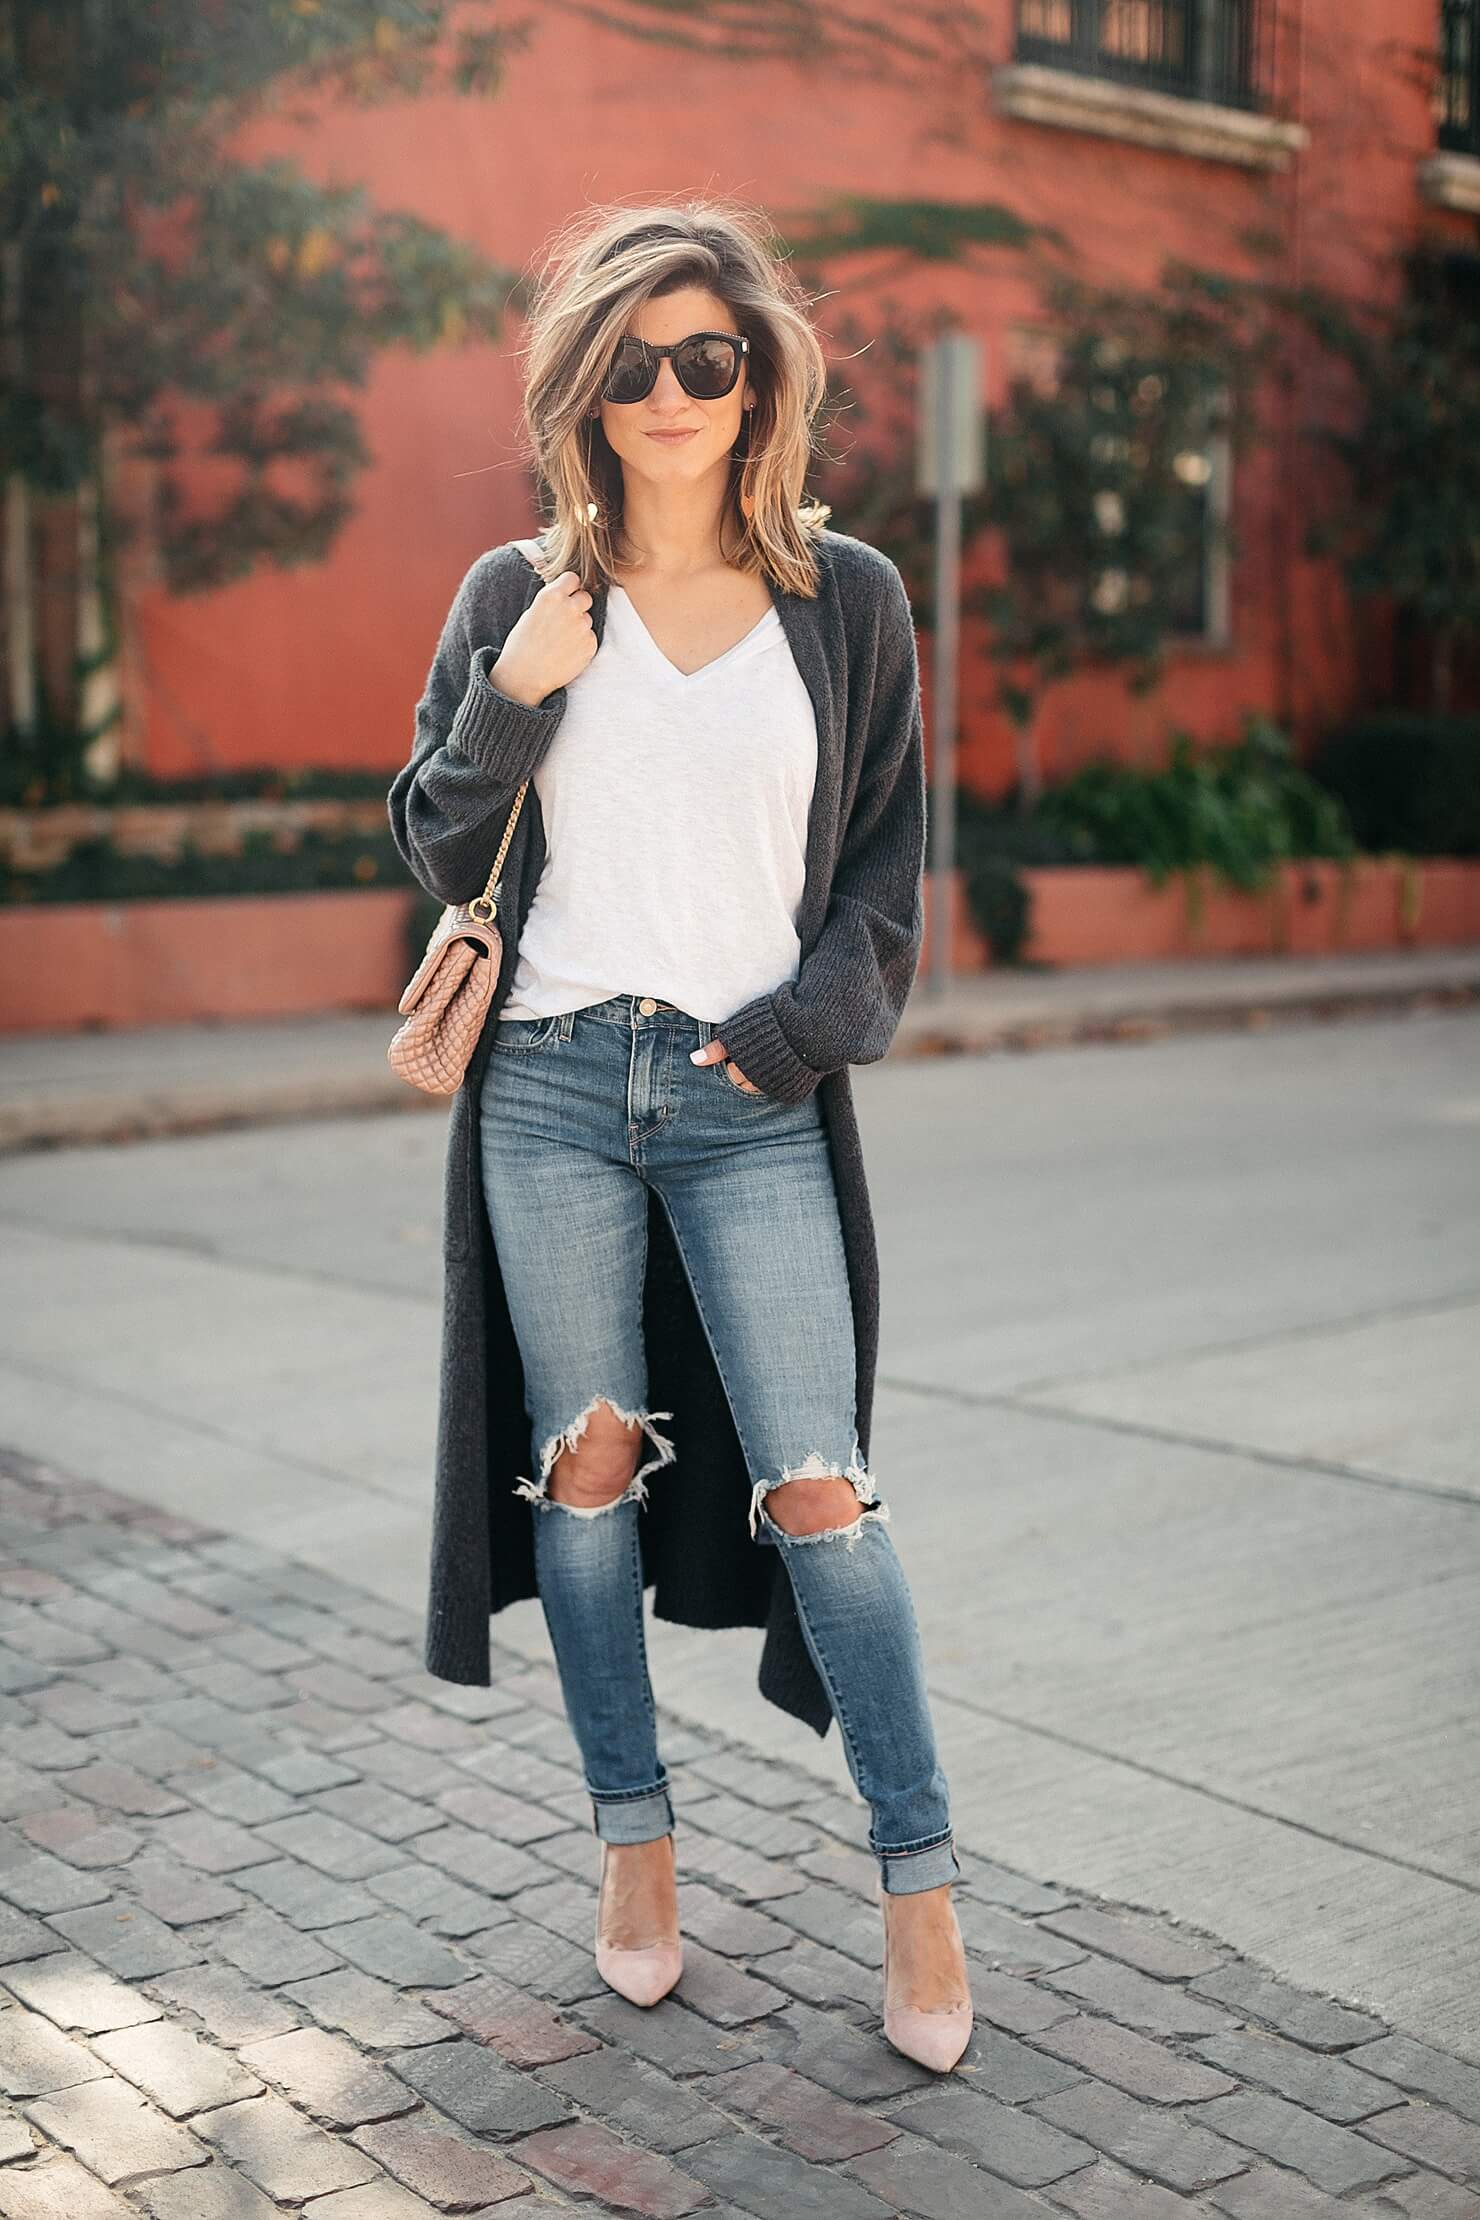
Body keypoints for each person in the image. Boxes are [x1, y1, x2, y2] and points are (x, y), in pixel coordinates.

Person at [389, 197, 972, 2072]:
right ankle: (634, 1848)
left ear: (756, 380)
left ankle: (921, 1876)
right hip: (550, 1089)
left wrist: (785, 1045)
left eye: (703, 357)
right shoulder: (518, 598)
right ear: (586, 385)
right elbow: (425, 829)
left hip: (748, 1094)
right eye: (631, 361)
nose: (668, 391)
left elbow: (884, 886)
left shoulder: (850, 598)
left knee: (823, 1492)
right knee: (581, 1477)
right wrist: (517, 694)